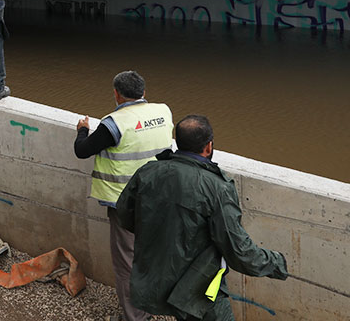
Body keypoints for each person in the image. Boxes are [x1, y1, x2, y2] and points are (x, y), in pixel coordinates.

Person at [117, 115, 288, 321]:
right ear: (208, 147)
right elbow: (238, 250)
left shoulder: (148, 172)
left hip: (159, 276)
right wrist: (278, 263)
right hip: (200, 284)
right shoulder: (217, 188)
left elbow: (125, 215)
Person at [74, 70, 173, 321]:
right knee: (149, 256)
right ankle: (152, 307)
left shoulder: (113, 124)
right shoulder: (163, 111)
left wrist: (82, 130)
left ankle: (135, 318)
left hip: (125, 204)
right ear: (143, 93)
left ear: (117, 94)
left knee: (127, 264)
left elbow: (82, 151)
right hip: (158, 198)